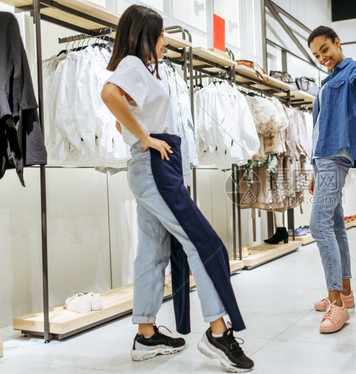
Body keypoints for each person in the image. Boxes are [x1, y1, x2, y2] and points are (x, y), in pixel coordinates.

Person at [101, 5, 254, 372]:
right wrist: (146, 138)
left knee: (152, 251)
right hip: (154, 167)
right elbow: (109, 95)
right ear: (146, 37)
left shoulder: (141, 68)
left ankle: (146, 333)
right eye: (161, 34)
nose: (165, 41)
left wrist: (150, 143)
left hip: (153, 168)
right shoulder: (135, 66)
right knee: (201, 242)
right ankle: (218, 331)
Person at [307, 26, 356, 334]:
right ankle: (347, 294)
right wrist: (315, 170)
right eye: (316, 55)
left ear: (337, 43)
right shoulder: (326, 81)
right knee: (336, 224)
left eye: (325, 49)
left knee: (318, 224)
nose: (322, 58)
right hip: (323, 158)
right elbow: (317, 130)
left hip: (335, 156)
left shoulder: (351, 68)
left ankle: (335, 303)